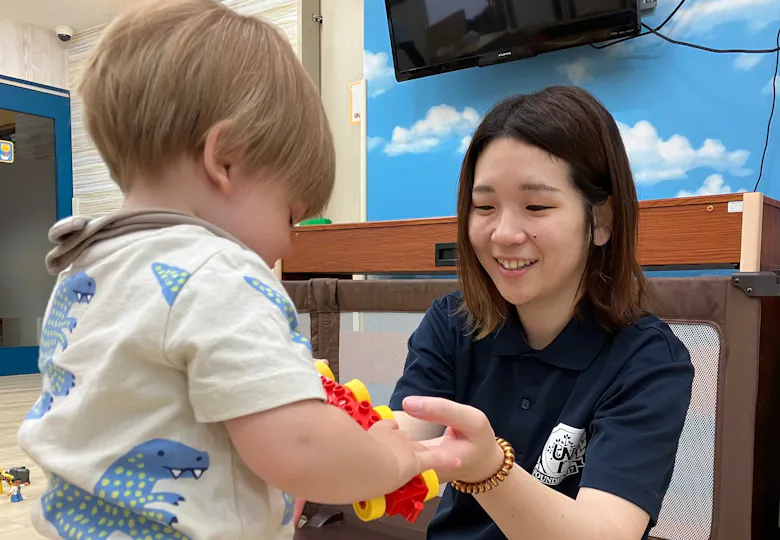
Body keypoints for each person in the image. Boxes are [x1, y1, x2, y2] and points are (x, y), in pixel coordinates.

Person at [15, 1, 457, 539]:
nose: (289, 247)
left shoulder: (83, 265)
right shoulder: (220, 272)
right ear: (225, 160)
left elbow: (141, 418)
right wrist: (391, 460)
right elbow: (300, 447)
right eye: (290, 216)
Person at [389, 86, 695, 540]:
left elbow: (604, 533)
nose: (504, 233)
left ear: (603, 220)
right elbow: (396, 444)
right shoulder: (452, 321)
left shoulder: (649, 361)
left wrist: (490, 469)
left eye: (536, 206)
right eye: (485, 207)